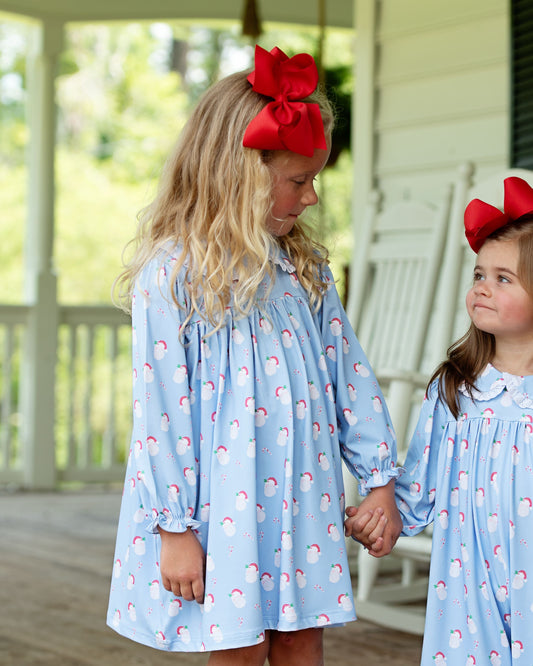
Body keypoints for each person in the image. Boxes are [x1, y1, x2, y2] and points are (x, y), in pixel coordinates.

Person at [106, 44, 401, 665]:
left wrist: (378, 478)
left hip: (304, 495)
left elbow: (349, 376)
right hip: (220, 508)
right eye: (299, 180)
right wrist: (174, 528)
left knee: (302, 638)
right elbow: (161, 412)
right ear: (240, 174)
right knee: (238, 645)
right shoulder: (175, 276)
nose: (312, 198)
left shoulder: (303, 269)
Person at [393, 176, 533, 665]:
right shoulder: (455, 388)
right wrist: (378, 514)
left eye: (503, 278)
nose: (482, 289)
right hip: (468, 578)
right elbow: (418, 487)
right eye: (478, 275)